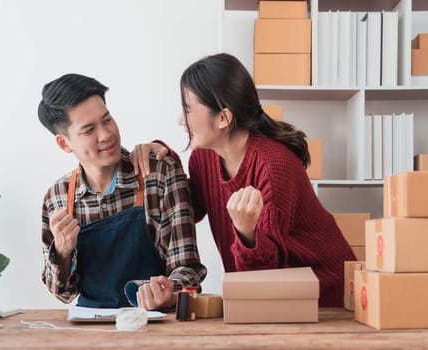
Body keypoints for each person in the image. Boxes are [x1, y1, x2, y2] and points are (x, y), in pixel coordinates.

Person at [131, 53, 356, 307]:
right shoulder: (203, 157)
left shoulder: (273, 167)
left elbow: (263, 277)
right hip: (281, 298)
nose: (180, 120)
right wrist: (163, 157)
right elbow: (187, 208)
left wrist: (248, 233)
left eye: (187, 109)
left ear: (224, 118)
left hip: (326, 294)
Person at [37, 73, 206, 310]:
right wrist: (62, 252)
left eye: (107, 120)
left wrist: (170, 291)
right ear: (65, 143)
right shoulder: (57, 198)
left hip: (154, 327)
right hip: (91, 331)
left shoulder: (158, 175)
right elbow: (63, 294)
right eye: (88, 130)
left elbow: (189, 269)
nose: (106, 135)